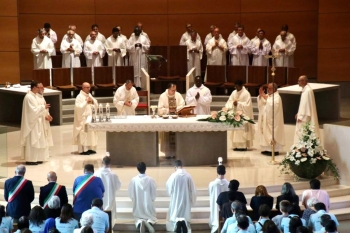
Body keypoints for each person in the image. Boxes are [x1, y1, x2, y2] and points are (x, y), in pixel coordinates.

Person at [20, 81, 50, 164]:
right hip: (32, 123)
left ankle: (38, 158)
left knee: (39, 140)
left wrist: (45, 115)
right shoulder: (29, 97)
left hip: (38, 121)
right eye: (38, 87)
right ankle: (31, 159)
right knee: (33, 140)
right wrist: (43, 107)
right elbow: (33, 110)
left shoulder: (35, 96)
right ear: (34, 87)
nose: (40, 89)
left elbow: (38, 108)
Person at [166, 160, 196, 233]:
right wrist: (192, 200)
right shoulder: (188, 176)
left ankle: (177, 223)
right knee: (184, 214)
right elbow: (193, 189)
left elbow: (168, 187)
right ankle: (184, 222)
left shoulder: (173, 176)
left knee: (175, 214)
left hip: (176, 199)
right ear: (182, 166)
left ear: (175, 167)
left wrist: (171, 193)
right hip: (186, 199)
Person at [225, 80, 255, 151]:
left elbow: (248, 106)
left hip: (243, 115)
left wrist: (238, 104)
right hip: (235, 114)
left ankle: (243, 146)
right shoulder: (234, 92)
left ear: (241, 85)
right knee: (236, 131)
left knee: (242, 131)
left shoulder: (246, 93)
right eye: (235, 86)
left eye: (237, 86)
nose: (236, 88)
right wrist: (233, 104)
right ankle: (236, 145)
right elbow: (229, 102)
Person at [128, 162, 157, 233]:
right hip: (148, 205)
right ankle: (149, 223)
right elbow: (153, 192)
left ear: (138, 169)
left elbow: (130, 193)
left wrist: (133, 199)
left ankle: (140, 223)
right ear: (145, 169)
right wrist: (152, 199)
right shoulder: (150, 180)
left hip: (138, 206)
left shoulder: (134, 180)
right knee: (151, 217)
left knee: (138, 218)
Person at [158, 83, 185, 157]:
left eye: (175, 90)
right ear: (168, 89)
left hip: (176, 118)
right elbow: (159, 110)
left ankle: (177, 152)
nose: (174, 92)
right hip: (167, 118)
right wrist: (168, 110)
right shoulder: (163, 96)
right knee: (167, 136)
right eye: (172, 90)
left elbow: (182, 105)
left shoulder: (178, 95)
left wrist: (176, 109)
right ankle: (168, 153)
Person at [258, 83, 285, 156]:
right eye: (267, 88)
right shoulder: (269, 95)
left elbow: (273, 106)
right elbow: (263, 103)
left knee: (272, 133)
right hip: (266, 118)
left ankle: (274, 150)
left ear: (274, 89)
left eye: (269, 88)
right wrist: (261, 96)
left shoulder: (277, 97)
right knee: (265, 132)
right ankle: (267, 149)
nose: (268, 89)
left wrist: (265, 97)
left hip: (273, 120)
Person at [72, 82, 99, 155]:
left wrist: (92, 101)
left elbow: (95, 103)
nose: (88, 89)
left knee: (91, 134)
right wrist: (86, 102)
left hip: (90, 118)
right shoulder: (79, 97)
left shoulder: (89, 95)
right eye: (87, 87)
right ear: (83, 88)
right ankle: (83, 150)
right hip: (83, 118)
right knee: (84, 133)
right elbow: (78, 108)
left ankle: (90, 148)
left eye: (89, 87)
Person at [294, 75, 320, 144]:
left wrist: (301, 116)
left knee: (303, 132)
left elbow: (307, 106)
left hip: (305, 117)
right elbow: (303, 105)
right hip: (303, 115)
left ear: (304, 81)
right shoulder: (305, 90)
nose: (298, 82)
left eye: (299, 81)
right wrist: (298, 113)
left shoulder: (307, 91)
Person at [94, 156, 121, 221]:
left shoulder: (97, 173)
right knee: (110, 217)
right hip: (110, 196)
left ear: (102, 163)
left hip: (100, 197)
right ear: (110, 163)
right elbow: (118, 186)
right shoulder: (114, 174)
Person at [208, 165, 229, 233]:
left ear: (217, 172)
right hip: (225, 206)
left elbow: (210, 193)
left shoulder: (212, 184)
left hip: (215, 205)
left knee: (215, 215)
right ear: (225, 172)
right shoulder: (228, 184)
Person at [36, 84, 53, 159]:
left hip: (44, 121)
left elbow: (45, 109)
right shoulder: (34, 97)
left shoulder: (41, 97)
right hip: (39, 122)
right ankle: (40, 156)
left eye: (43, 87)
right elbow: (35, 111)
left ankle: (45, 154)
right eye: (41, 87)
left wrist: (48, 115)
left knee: (46, 137)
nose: (43, 88)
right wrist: (44, 116)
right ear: (37, 88)